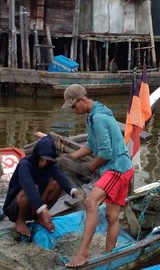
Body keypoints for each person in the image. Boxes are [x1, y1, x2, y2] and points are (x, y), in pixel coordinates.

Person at [61, 84, 134, 268]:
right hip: (122, 167)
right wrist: (69, 157)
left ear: (82, 100)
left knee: (89, 202)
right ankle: (108, 258)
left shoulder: (99, 118)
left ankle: (83, 254)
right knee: (111, 216)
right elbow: (91, 146)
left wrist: (89, 167)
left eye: (73, 106)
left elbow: (106, 153)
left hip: (117, 168)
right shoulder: (94, 116)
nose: (73, 109)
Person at [3, 135, 83, 237]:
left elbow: (62, 179)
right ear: (37, 155)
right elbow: (29, 186)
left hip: (36, 206)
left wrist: (74, 192)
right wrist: (43, 209)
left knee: (56, 184)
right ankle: (20, 221)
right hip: (15, 208)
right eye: (42, 159)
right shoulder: (25, 165)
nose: (44, 163)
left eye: (48, 160)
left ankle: (39, 217)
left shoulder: (51, 166)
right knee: (32, 188)